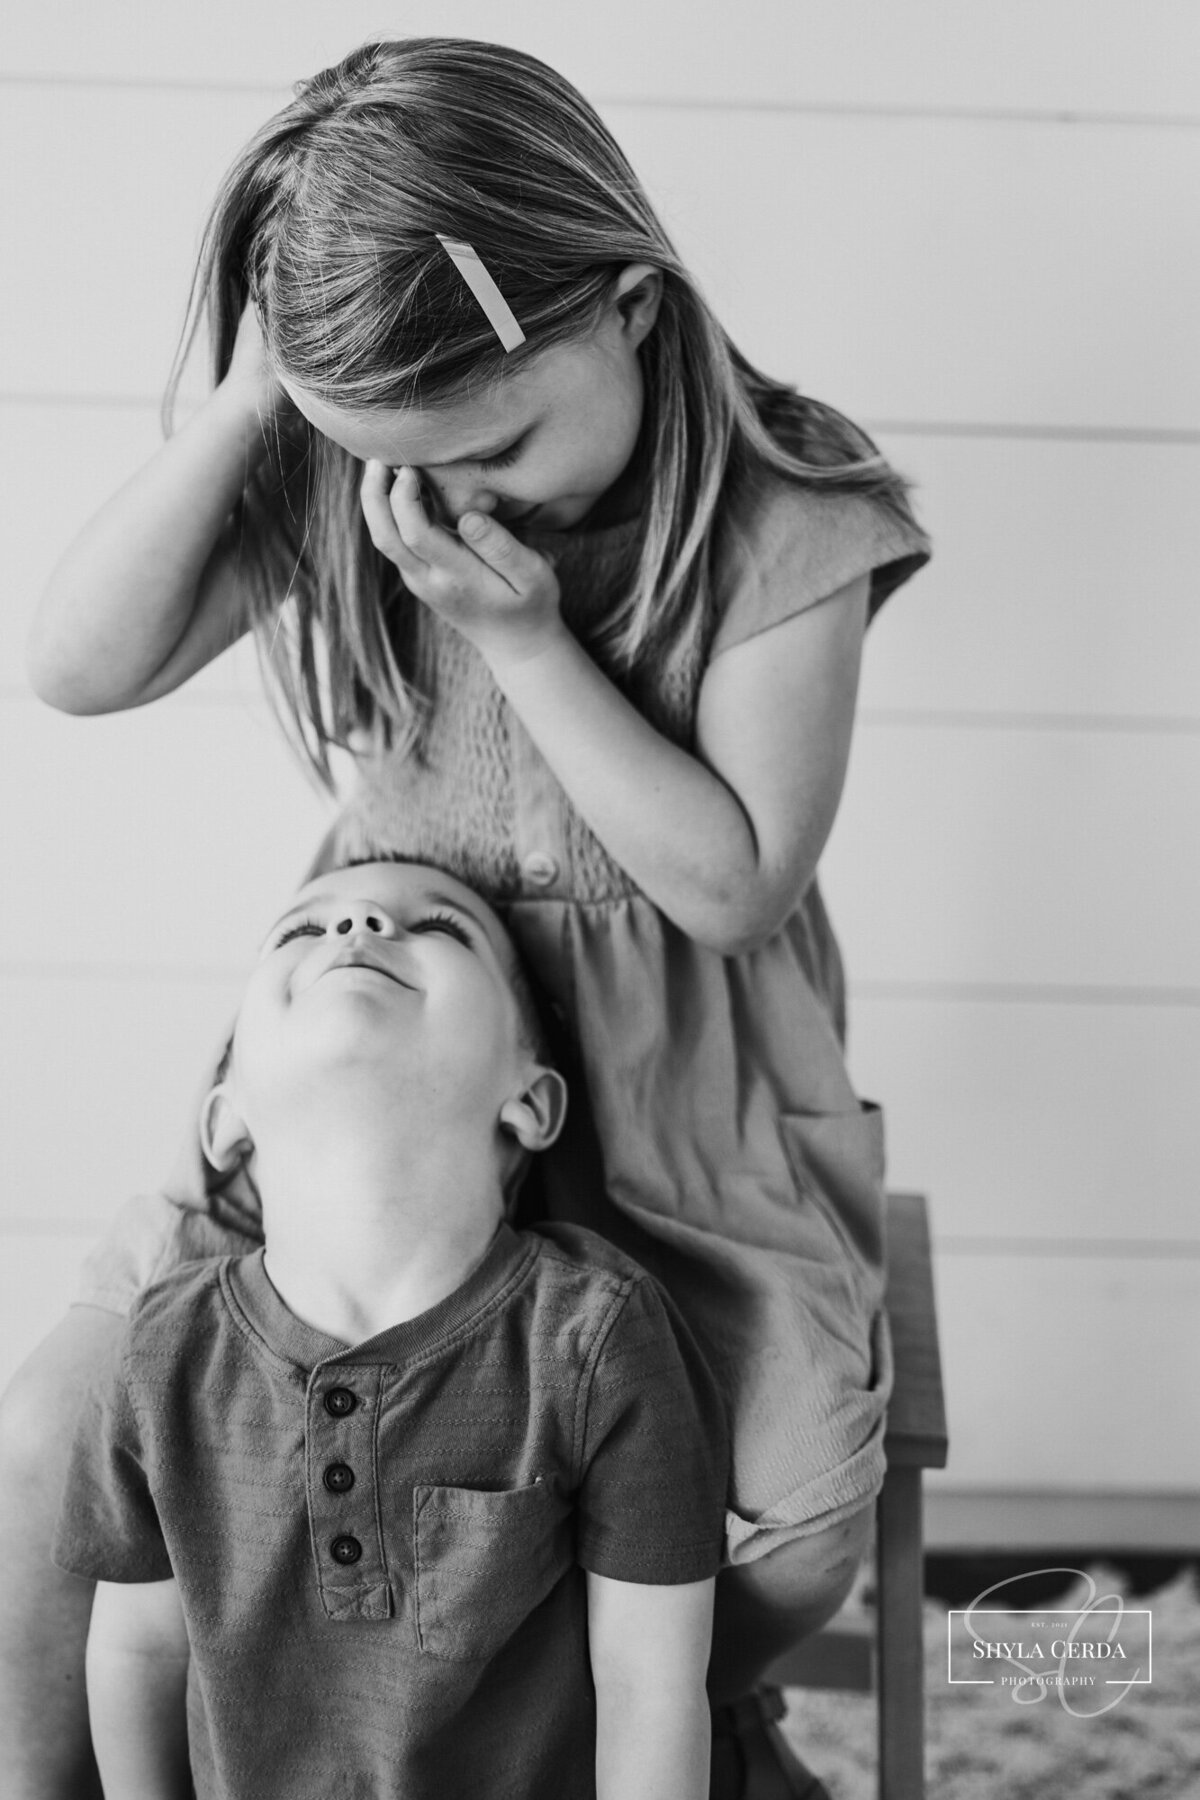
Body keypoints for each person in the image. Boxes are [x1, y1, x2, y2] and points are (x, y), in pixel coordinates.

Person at [12, 35, 931, 1800]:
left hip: (676, 1101)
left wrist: (522, 639)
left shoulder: (786, 518)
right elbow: (76, 665)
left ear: (632, 310)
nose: (468, 500)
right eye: (412, 457)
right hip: (383, 1098)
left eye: (500, 438)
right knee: (56, 1436)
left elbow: (735, 881)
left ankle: (585, 1727)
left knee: (795, 1506)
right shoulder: (386, 473)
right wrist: (272, 399)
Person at [53, 858, 727, 1800]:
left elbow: (650, 1685)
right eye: (301, 930)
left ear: (530, 1101)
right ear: (225, 1119)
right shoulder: (161, 1351)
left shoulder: (596, 1340)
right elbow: (138, 1654)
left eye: (441, 928)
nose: (358, 922)